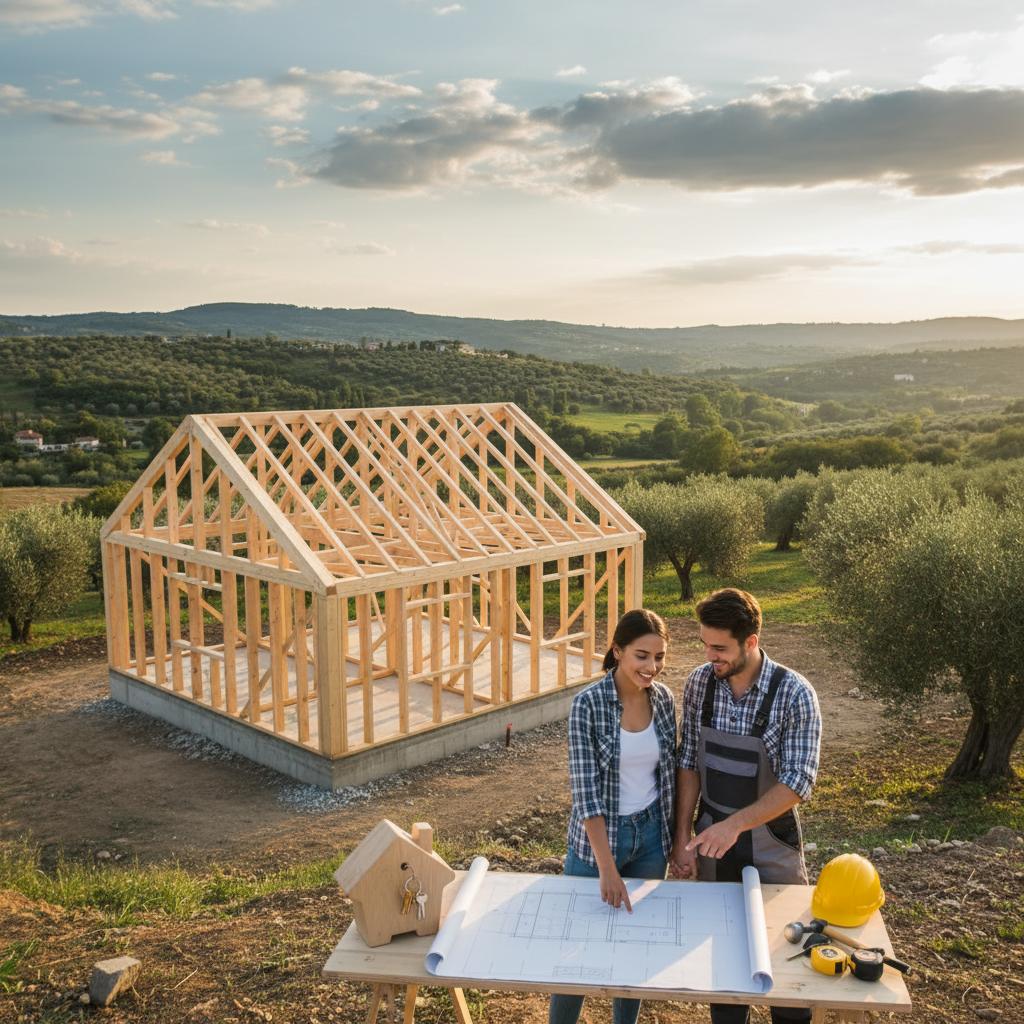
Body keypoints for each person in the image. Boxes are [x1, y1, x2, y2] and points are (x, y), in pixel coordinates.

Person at [671, 588, 821, 1024]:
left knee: (788, 969)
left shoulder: (794, 694)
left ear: (751, 642)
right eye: (705, 644)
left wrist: (733, 826)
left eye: (719, 648)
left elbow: (797, 781)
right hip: (712, 840)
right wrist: (684, 835)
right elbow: (688, 762)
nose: (709, 656)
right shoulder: (701, 683)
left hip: (772, 843)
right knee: (725, 971)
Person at [549, 608, 677, 1024]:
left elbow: (669, 776)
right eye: (642, 656)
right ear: (618, 651)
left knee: (634, 949)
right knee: (576, 952)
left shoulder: (664, 700)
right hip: (597, 844)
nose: (651, 667)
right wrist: (606, 867)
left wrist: (674, 842)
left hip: (650, 838)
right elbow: (586, 795)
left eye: (658, 657)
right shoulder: (587, 705)